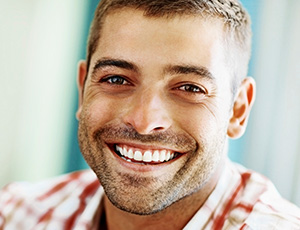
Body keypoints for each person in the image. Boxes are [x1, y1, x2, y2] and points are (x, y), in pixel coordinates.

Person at [1, 0, 300, 229]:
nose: (144, 121)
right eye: (116, 79)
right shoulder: (15, 215)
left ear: (238, 110)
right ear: (83, 90)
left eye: (189, 88)